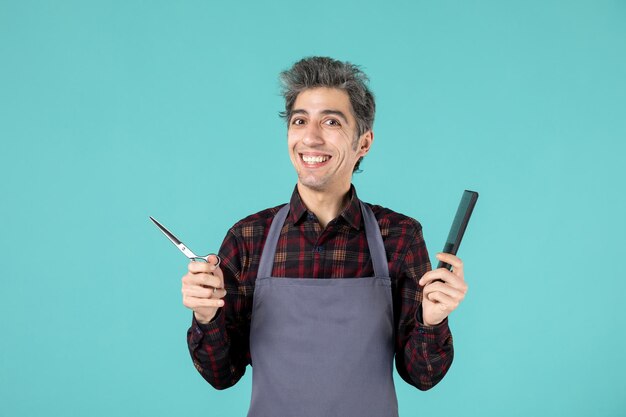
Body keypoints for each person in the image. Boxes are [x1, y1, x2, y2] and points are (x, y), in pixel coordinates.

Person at [181, 56, 468, 417]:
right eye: (300, 120)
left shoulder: (400, 236)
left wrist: (433, 319)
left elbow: (422, 375)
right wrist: (207, 316)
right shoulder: (248, 238)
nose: (311, 137)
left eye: (331, 121)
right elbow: (222, 374)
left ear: (363, 143)